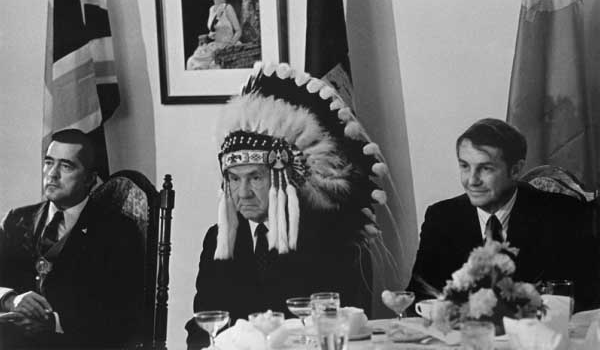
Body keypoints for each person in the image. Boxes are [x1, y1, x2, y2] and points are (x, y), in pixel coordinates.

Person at [185, 62, 390, 348]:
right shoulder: (218, 239)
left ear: (284, 179)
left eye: (255, 177)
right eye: (233, 178)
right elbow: (203, 325)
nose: (243, 193)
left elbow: (337, 329)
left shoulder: (330, 238)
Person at [407, 118, 592, 309]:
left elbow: (587, 296)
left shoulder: (563, 215)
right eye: (465, 166)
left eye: (485, 168)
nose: (472, 180)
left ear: (515, 170)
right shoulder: (441, 217)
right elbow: (420, 296)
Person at [0, 129, 144, 349]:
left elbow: (122, 315)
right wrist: (10, 299)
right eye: (49, 162)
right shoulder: (16, 220)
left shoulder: (117, 232)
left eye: (66, 166)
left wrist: (53, 322)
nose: (52, 174)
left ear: (89, 179)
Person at [186, 0, 242, 70]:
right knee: (191, 61)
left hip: (227, 45)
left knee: (212, 66)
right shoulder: (211, 9)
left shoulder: (227, 8)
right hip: (215, 45)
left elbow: (238, 31)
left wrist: (230, 45)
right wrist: (210, 35)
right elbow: (213, 29)